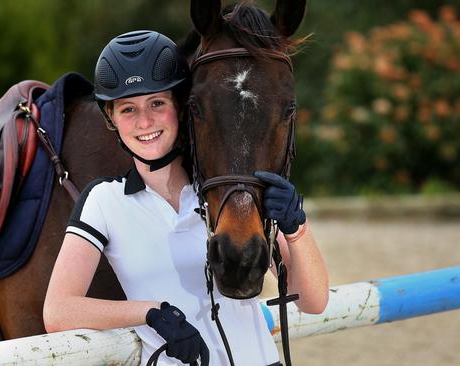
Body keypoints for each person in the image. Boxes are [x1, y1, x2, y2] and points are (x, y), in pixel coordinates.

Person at [43, 30, 329, 366]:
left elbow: (314, 302)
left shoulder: (228, 191)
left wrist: (297, 231)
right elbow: (59, 311)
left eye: (157, 103)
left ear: (180, 106)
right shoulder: (104, 201)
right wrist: (151, 313)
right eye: (127, 109)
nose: (144, 121)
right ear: (111, 118)